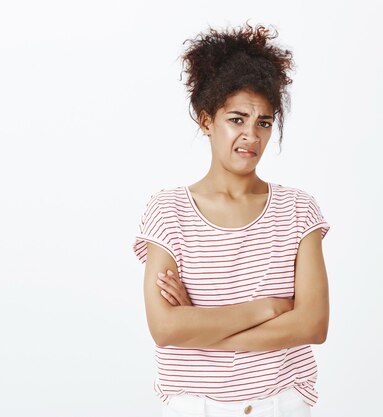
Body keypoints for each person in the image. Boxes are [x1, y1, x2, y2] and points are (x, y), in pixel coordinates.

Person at [132, 22, 331, 417]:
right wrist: (266, 309)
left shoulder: (298, 210)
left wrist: (202, 327)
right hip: (196, 406)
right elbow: (166, 330)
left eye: (264, 122)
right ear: (207, 121)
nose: (252, 137)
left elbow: (313, 325)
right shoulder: (167, 212)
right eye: (236, 119)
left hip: (282, 404)